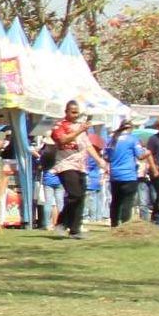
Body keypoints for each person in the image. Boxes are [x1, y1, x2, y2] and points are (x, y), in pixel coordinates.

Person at [47, 101, 102, 238]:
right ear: (66, 112)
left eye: (77, 112)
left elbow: (88, 145)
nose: (75, 115)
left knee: (80, 197)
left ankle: (75, 229)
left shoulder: (81, 127)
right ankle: (61, 223)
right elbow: (63, 140)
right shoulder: (60, 126)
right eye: (72, 112)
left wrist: (100, 160)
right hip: (65, 164)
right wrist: (79, 130)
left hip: (81, 165)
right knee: (74, 194)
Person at [106, 118, 145, 226]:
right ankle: (125, 225)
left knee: (115, 201)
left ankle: (114, 225)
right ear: (130, 128)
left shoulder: (111, 139)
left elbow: (106, 156)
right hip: (128, 175)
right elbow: (140, 156)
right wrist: (148, 152)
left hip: (115, 175)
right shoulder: (132, 139)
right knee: (127, 202)